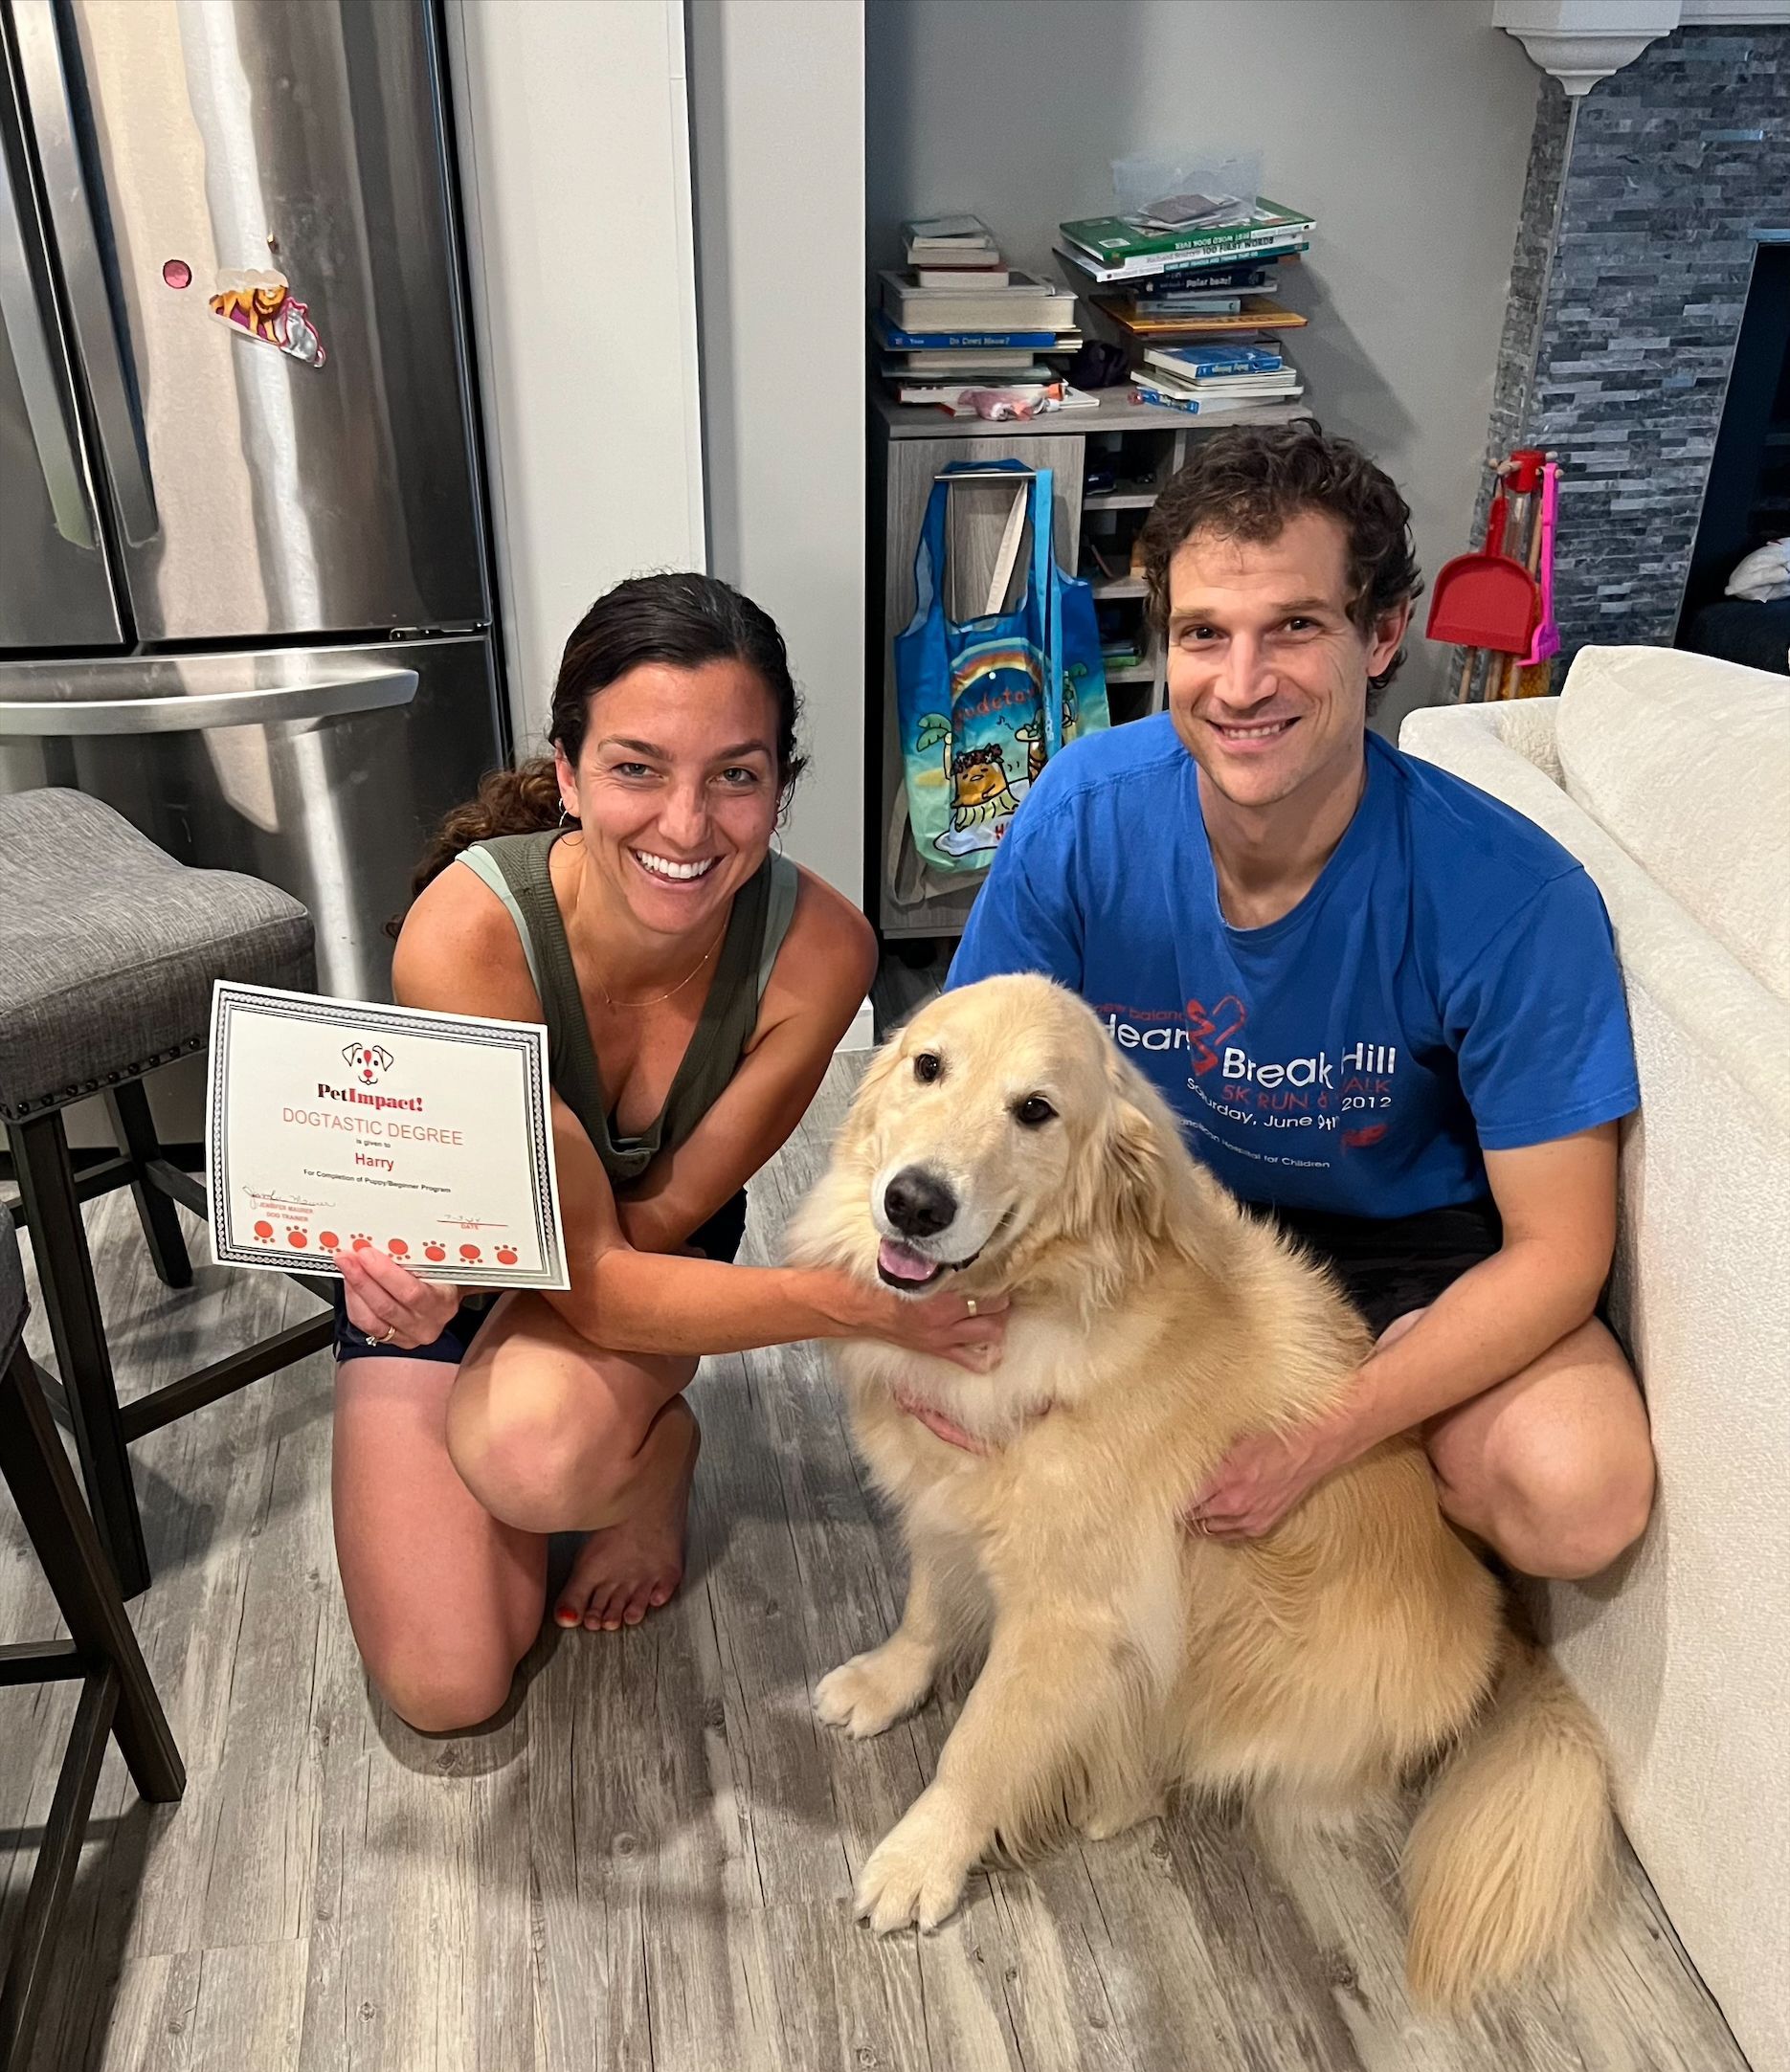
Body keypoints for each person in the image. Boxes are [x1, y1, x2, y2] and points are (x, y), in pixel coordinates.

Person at [946, 426, 1654, 1580]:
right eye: (1201, 635)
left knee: (1575, 1493)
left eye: (1294, 628)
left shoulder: (1512, 897)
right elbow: (969, 1098)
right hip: (1163, 1225)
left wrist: (1325, 1429)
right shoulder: (1083, 811)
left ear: (1382, 636)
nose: (1239, 684)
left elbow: (1560, 1250)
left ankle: (1394, 1514)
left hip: (1404, 1254)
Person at [331, 574, 1003, 1732]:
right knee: (448, 1690)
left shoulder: (821, 951)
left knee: (534, 1455)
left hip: (639, 1242)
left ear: (780, 790)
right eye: (637, 767)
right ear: (568, 773)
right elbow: (559, 1263)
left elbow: (654, 1223)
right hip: (460, 1256)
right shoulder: (466, 932)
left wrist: (574, 1308)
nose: (687, 827)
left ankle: (648, 1449)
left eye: (734, 776)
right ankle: (620, 1429)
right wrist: (852, 1306)